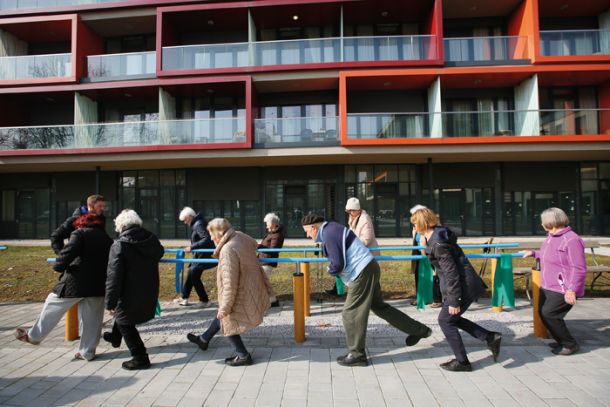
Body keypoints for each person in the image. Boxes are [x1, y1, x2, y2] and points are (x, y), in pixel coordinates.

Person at [302, 213, 432, 367]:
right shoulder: (331, 229)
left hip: (361, 272)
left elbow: (337, 264)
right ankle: (420, 330)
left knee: (351, 313)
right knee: (380, 307)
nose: (307, 235)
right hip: (368, 267)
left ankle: (357, 355)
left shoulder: (328, 233)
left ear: (314, 227)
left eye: (307, 231)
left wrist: (329, 269)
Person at [411, 207, 501, 372]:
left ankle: (463, 362)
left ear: (422, 224)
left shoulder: (438, 244)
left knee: (445, 320)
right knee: (452, 318)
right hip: (462, 285)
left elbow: (451, 273)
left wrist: (454, 300)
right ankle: (490, 337)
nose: (413, 228)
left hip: (463, 286)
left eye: (415, 224)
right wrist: (423, 242)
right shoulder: (437, 235)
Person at [15, 212, 112, 361]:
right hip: (98, 284)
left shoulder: (79, 234)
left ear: (82, 223)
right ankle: (87, 352)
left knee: (52, 304)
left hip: (75, 282)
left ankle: (34, 336)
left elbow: (67, 254)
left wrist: (58, 266)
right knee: (92, 320)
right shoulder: (107, 239)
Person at [186, 218, 271, 366]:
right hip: (250, 284)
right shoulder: (239, 236)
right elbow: (254, 244)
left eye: (211, 234)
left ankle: (243, 355)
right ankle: (204, 340)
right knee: (224, 316)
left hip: (240, 289)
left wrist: (224, 307)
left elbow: (229, 283)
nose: (210, 238)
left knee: (227, 317)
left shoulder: (227, 250)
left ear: (219, 234)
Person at [104, 210, 164, 370]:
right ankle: (115, 338)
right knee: (123, 316)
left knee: (125, 323)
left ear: (120, 225)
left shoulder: (120, 245)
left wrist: (110, 301)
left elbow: (113, 276)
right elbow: (160, 252)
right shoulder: (151, 238)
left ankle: (140, 358)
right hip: (148, 289)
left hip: (127, 291)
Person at [522, 207, 586, 356]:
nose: (542, 224)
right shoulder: (552, 236)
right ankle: (561, 341)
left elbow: (579, 268)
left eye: (543, 222)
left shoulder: (572, 240)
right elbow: (549, 255)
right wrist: (533, 253)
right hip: (547, 285)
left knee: (550, 314)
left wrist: (572, 289)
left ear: (550, 222)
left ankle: (570, 344)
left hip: (563, 287)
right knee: (543, 313)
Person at [177, 207, 215, 307]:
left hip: (204, 255)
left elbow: (206, 239)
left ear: (190, 216)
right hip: (199, 255)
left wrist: (192, 247)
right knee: (191, 273)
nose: (185, 222)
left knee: (194, 275)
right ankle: (184, 297)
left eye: (185, 220)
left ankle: (204, 300)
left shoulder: (199, 224)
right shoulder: (198, 222)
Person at [410, 204, 442, 308]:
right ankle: (422, 298)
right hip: (420, 254)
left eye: (415, 220)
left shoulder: (434, 229)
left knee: (434, 275)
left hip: (430, 254)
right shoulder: (417, 228)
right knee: (420, 276)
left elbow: (426, 243)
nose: (414, 224)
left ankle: (437, 299)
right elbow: (418, 241)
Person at [258, 212, 285, 307]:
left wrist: (259, 246)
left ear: (273, 224)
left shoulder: (276, 235)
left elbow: (273, 250)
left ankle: (271, 300)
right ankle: (272, 300)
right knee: (263, 281)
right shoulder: (272, 233)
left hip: (268, 261)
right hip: (264, 261)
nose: (266, 226)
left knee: (262, 281)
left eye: (267, 223)